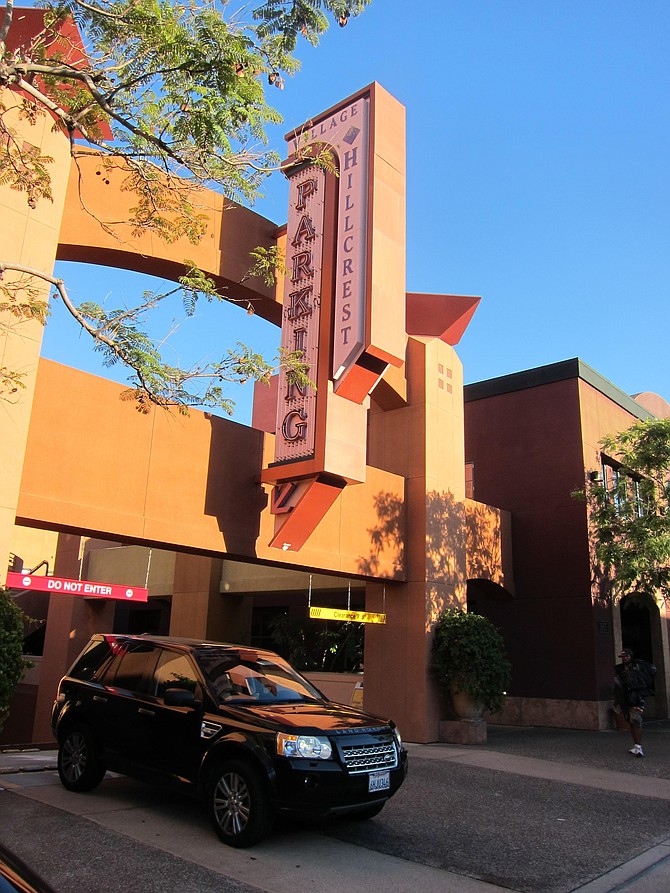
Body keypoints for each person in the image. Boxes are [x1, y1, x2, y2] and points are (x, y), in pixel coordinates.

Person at [613, 648, 648, 757]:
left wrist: (640, 700)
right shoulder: (620, 670)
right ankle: (636, 745)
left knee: (636, 722)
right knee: (631, 722)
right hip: (625, 700)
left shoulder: (637, 669)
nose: (624, 659)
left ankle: (639, 746)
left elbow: (642, 684)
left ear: (630, 657)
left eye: (626, 656)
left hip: (636, 700)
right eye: (622, 657)